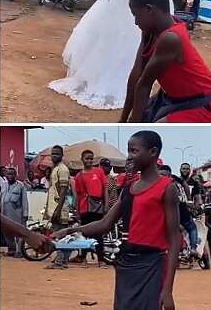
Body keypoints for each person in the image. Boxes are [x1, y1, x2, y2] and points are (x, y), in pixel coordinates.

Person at [49, 0, 189, 111]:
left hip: (148, 9)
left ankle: (129, 79)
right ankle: (99, 76)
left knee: (133, 48)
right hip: (126, 5)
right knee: (114, 43)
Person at [53, 131, 180, 309]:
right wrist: (70, 231)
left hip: (152, 266)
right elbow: (105, 223)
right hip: (126, 265)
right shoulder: (128, 189)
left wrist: (168, 290)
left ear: (153, 152)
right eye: (128, 151)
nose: (129, 156)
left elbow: (174, 239)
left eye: (134, 151)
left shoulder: (167, 187)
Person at [122, 0, 211, 123]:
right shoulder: (150, 32)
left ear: (149, 10)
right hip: (174, 98)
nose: (136, 22)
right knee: (142, 116)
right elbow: (136, 75)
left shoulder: (171, 38)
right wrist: (123, 119)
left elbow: (144, 84)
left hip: (201, 105)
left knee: (153, 125)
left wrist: (132, 123)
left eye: (136, 15)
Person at [73, 150, 107, 266]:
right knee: (85, 233)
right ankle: (83, 258)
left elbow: (105, 189)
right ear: (82, 159)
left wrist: (106, 205)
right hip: (84, 208)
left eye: (91, 158)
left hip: (97, 207)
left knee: (98, 233)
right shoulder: (78, 176)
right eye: (87, 158)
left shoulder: (99, 172)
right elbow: (77, 195)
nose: (89, 161)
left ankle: (101, 259)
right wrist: (77, 211)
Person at [159, 164, 199, 257]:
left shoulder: (159, 180)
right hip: (180, 208)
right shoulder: (174, 179)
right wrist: (188, 200)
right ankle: (192, 248)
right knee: (191, 228)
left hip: (174, 209)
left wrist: (190, 201)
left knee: (186, 228)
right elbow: (185, 186)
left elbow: (196, 197)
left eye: (187, 169)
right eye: (183, 168)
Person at [44, 145, 71, 269]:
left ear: (62, 155)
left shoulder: (63, 169)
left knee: (60, 235)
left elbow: (64, 190)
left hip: (59, 208)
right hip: (54, 207)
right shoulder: (55, 169)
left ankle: (61, 261)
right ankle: (62, 260)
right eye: (53, 154)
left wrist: (57, 210)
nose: (54, 156)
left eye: (57, 154)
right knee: (59, 235)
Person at [1, 167, 29, 257]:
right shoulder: (4, 185)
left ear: (16, 175)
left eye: (12, 174)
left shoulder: (20, 186)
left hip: (17, 214)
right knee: (7, 232)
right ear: (5, 175)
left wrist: (25, 214)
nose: (10, 176)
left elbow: (25, 201)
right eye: (8, 174)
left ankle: (19, 251)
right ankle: (11, 250)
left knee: (18, 233)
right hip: (4, 213)